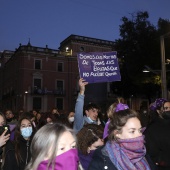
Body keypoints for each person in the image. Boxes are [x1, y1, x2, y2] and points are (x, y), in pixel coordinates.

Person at [88, 103, 156, 170]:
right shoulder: (102, 160)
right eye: (132, 131)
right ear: (117, 133)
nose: (139, 135)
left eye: (140, 130)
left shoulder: (143, 152)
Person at [144, 99, 170, 169]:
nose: (169, 110)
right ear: (158, 111)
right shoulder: (152, 129)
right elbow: (152, 152)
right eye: (166, 108)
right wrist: (162, 162)